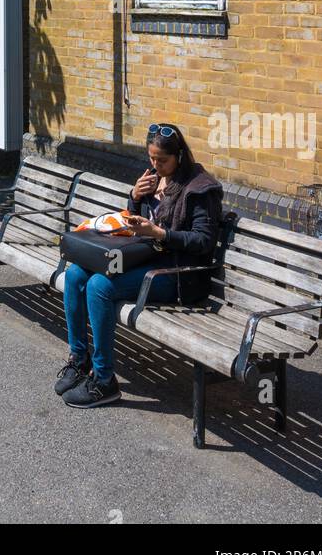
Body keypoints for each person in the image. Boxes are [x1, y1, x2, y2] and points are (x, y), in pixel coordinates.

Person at [56, 123, 222, 408]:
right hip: (145, 259)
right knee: (74, 275)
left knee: (99, 287)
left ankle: (105, 380)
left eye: (162, 160)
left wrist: (161, 234)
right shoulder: (153, 180)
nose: (155, 165)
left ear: (180, 155)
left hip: (178, 274)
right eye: (151, 158)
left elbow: (203, 241)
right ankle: (79, 360)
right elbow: (134, 224)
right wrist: (134, 197)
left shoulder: (200, 189)